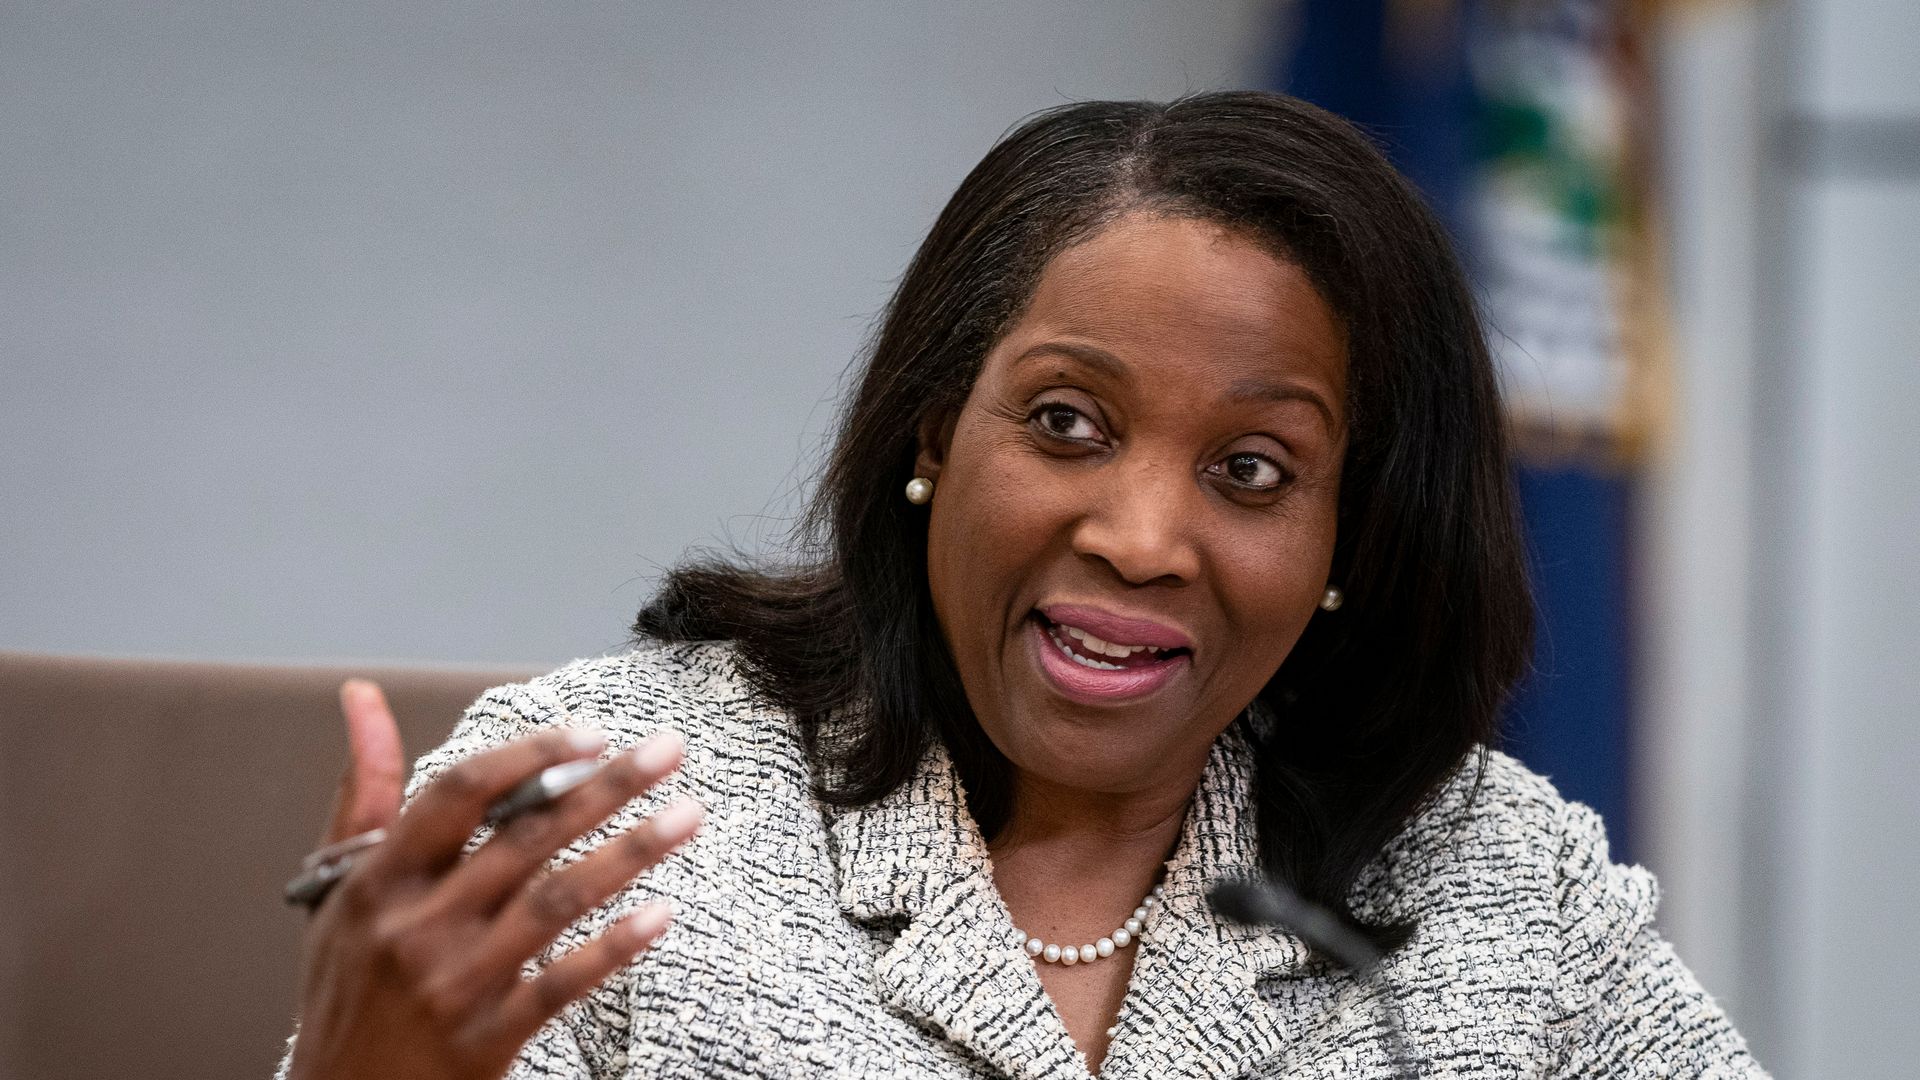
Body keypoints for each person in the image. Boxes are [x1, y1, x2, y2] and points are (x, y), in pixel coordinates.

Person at [278, 91, 1767, 1078]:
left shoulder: (1492, 884)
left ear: (1347, 541)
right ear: (936, 431)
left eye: (1252, 470)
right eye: (1068, 423)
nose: (1138, 535)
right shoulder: (598, 815)